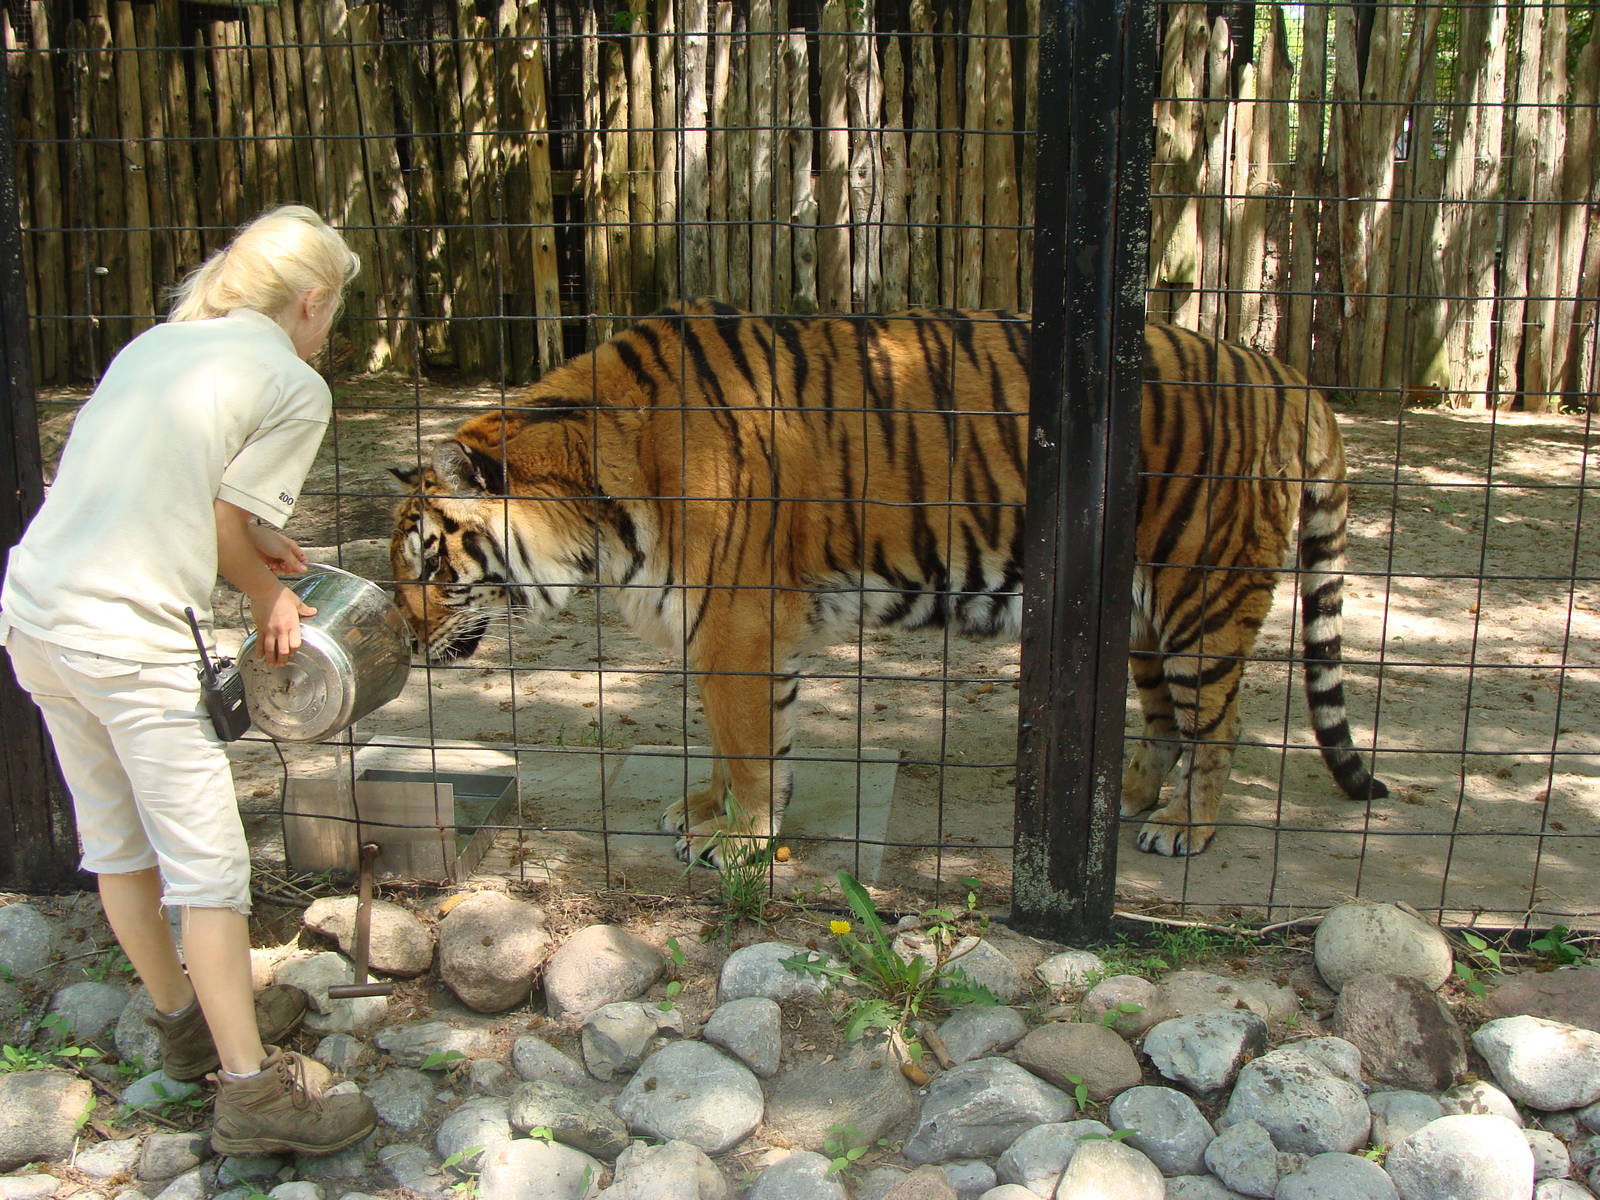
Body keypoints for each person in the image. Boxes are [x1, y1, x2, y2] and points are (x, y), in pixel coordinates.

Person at [0, 205, 377, 1156]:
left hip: (39, 616)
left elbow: (169, 496)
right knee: (210, 871)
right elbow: (219, 524)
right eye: (333, 314)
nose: (329, 331)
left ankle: (183, 1028)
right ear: (311, 299)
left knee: (115, 841)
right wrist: (267, 596)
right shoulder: (292, 381)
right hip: (130, 639)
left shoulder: (154, 348)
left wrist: (254, 547)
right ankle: (253, 1095)